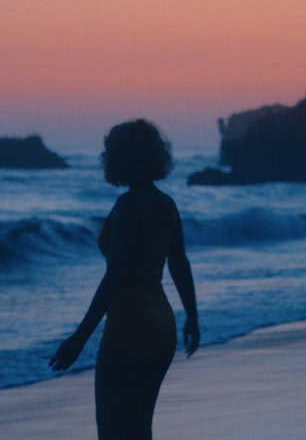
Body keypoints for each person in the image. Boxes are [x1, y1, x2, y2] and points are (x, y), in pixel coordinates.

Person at [49, 119, 200, 439]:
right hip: (162, 325)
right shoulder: (167, 204)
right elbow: (179, 264)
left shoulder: (129, 205)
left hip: (130, 326)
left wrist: (79, 338)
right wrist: (192, 317)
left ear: (122, 158)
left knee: (113, 432)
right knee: (139, 429)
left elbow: (114, 277)